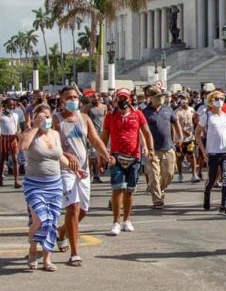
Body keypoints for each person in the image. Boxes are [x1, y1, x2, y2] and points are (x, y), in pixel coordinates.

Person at [55, 87, 110, 266]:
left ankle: (62, 231)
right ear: (62, 100)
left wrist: (106, 155)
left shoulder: (84, 118)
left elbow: (95, 140)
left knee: (84, 209)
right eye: (68, 97)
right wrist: (66, 155)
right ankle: (75, 252)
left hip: (84, 170)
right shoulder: (56, 120)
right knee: (74, 207)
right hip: (65, 170)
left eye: (75, 97)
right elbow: (51, 146)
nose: (72, 100)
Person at [19, 105, 73, 272]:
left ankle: (47, 257)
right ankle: (32, 251)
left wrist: (75, 168)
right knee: (40, 219)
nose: (46, 120)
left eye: (48, 117)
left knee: (52, 221)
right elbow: (23, 146)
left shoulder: (55, 134)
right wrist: (35, 126)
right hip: (35, 184)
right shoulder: (30, 134)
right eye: (42, 117)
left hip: (54, 183)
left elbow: (60, 156)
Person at [102, 87, 153, 235]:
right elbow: (104, 137)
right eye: (120, 98)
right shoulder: (110, 116)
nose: (122, 101)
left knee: (130, 191)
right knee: (118, 189)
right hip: (116, 156)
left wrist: (150, 149)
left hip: (134, 156)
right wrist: (102, 155)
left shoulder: (137, 114)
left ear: (129, 99)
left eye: (125, 98)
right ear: (115, 99)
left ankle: (127, 220)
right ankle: (116, 222)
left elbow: (146, 132)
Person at [196, 90, 226, 215]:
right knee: (212, 179)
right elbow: (197, 134)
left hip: (225, 152)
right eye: (217, 99)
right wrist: (203, 150)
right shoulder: (206, 116)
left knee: (225, 178)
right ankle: (207, 193)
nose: (220, 101)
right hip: (212, 152)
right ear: (211, 102)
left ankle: (224, 205)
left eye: (222, 98)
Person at [142, 87, 181, 209]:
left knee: (169, 174)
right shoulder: (144, 112)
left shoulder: (168, 109)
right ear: (151, 98)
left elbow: (175, 122)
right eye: (158, 96)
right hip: (152, 149)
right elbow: (140, 130)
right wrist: (144, 146)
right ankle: (157, 199)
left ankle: (159, 189)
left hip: (168, 147)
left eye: (162, 96)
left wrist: (179, 137)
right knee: (154, 174)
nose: (161, 98)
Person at [0, 98, 22, 188]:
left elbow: (17, 127)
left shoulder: (15, 115)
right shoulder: (2, 115)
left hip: (13, 137)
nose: (11, 107)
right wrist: (1, 109)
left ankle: (16, 181)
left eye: (13, 105)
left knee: (15, 159)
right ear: (5, 105)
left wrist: (18, 132)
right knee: (2, 158)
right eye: (9, 105)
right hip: (4, 137)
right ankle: (0, 179)